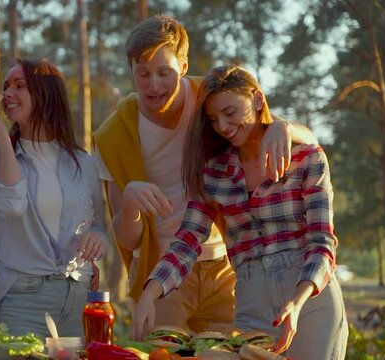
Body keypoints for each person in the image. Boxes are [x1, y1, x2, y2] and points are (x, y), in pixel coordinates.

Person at [93, 15, 318, 333]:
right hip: (164, 272)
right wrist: (130, 200)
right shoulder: (112, 136)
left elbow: (304, 138)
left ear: (183, 66)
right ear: (130, 69)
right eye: (143, 74)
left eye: (164, 73)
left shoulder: (211, 99)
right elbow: (128, 240)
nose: (154, 85)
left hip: (226, 268)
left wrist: (284, 126)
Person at [132, 65, 348, 359]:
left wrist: (297, 302)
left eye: (230, 113)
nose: (222, 126)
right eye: (213, 119)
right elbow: (187, 241)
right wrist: (149, 294)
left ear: (257, 100)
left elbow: (322, 242)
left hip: (310, 299)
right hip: (252, 303)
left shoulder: (307, 158)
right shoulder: (214, 171)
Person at [0, 59, 106, 338]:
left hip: (78, 299)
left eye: (20, 86)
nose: (7, 94)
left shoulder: (83, 163)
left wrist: (97, 240)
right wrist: (0, 133)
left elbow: (99, 226)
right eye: (6, 87)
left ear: (47, 94)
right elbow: (11, 206)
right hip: (22, 301)